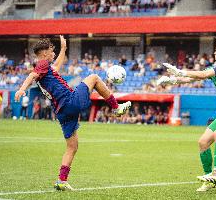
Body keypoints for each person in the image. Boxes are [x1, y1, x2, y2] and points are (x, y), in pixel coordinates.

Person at [15, 35, 131, 191]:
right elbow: (32, 75)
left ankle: (62, 180)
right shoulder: (42, 64)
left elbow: (56, 66)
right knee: (94, 77)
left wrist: (63, 49)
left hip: (62, 112)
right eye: (51, 51)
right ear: (43, 54)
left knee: (72, 147)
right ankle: (116, 108)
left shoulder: (47, 69)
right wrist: (22, 89)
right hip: (70, 101)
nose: (53, 54)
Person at [157, 40, 216, 192]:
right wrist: (172, 80)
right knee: (203, 142)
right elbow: (195, 77)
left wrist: (181, 71)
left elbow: (203, 74)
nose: (215, 53)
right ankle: (208, 179)